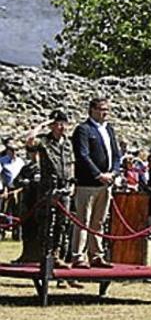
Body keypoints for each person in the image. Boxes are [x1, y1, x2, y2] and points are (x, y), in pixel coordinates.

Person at [71, 97, 121, 269]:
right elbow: (83, 155)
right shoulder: (83, 130)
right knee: (83, 220)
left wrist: (114, 172)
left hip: (106, 184)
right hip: (87, 183)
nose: (105, 112)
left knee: (99, 221)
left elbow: (116, 153)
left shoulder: (109, 129)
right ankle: (79, 255)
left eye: (107, 109)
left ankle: (96, 254)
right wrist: (98, 174)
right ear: (92, 110)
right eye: (101, 109)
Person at [26, 110, 74, 268]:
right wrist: (43, 124)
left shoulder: (68, 142)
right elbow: (30, 140)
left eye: (64, 123)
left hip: (65, 187)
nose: (62, 127)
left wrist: (72, 184)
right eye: (58, 124)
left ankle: (57, 255)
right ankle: (45, 255)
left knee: (63, 224)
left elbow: (71, 164)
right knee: (47, 224)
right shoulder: (45, 141)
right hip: (49, 188)